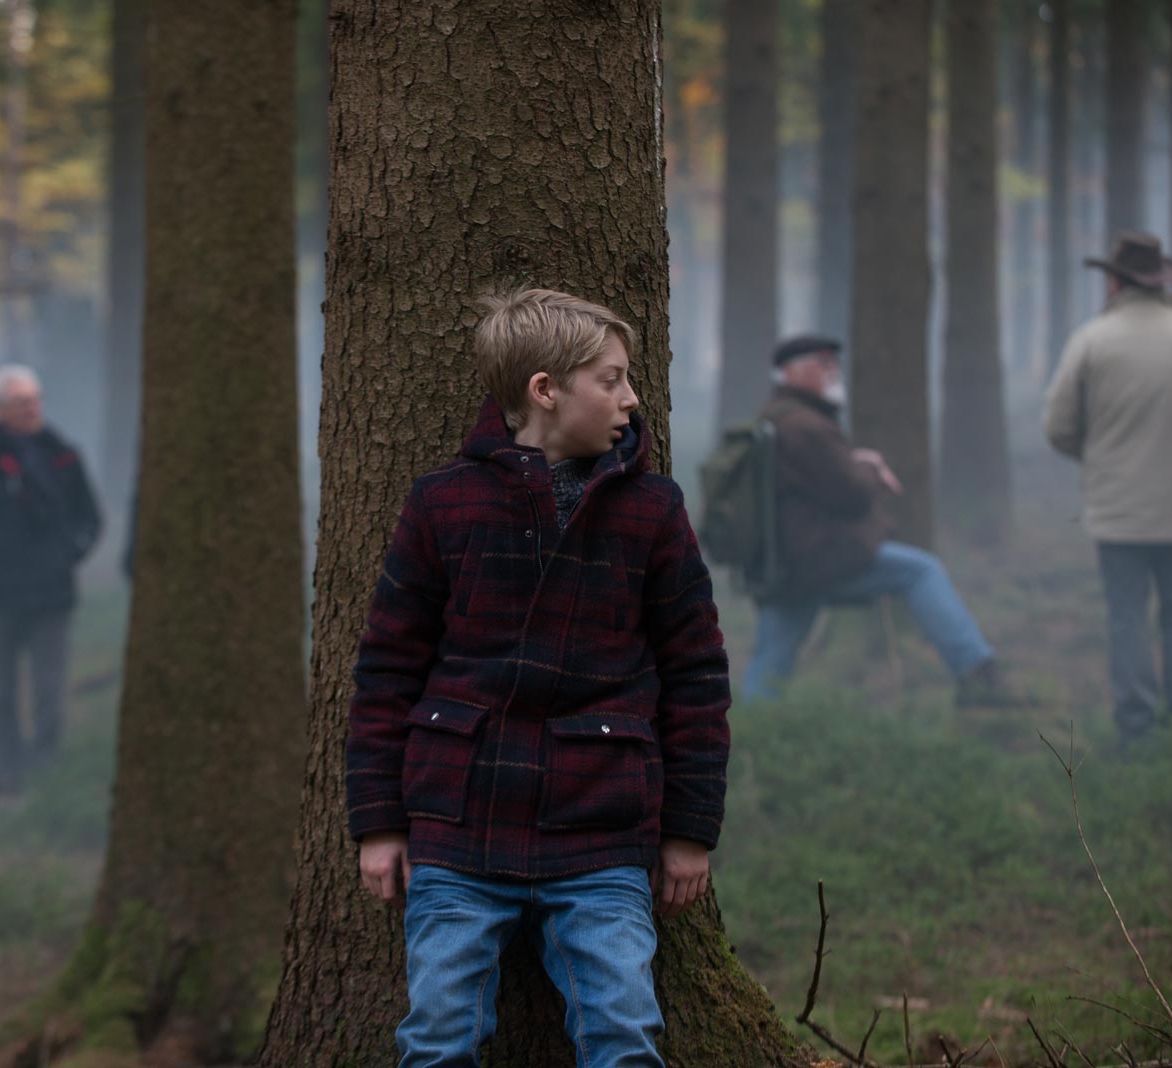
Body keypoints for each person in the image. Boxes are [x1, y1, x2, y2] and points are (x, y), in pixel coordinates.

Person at [345, 288, 732, 1067]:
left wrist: (689, 830)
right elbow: (387, 669)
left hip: (602, 832)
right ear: (545, 390)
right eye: (612, 379)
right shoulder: (442, 503)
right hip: (456, 830)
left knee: (623, 1038)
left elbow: (696, 676)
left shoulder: (653, 510)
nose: (631, 399)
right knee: (435, 1042)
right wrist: (380, 821)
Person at [739, 335, 1028, 706]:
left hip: (786, 562)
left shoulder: (777, 418)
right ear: (792, 373)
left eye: (833, 363)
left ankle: (750, 732)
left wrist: (855, 463)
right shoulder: (805, 427)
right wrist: (871, 470)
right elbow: (851, 497)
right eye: (821, 363)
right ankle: (976, 676)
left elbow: (818, 480)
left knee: (771, 657)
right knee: (921, 570)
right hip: (816, 559)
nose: (832, 371)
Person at [1044, 231, 1172, 745]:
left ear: (1115, 284)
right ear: (1159, 282)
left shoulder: (1091, 342)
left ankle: (1135, 728)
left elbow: (1059, 428)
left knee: (1127, 617)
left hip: (1118, 512)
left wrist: (1100, 456)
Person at [0, 364, 102, 796]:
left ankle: (46, 775)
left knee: (49, 694)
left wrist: (70, 553)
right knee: (0, 695)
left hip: (52, 595)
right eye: (21, 402)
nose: (32, 408)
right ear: (0, 410)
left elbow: (91, 518)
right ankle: (5, 776)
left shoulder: (64, 458)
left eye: (36, 399)